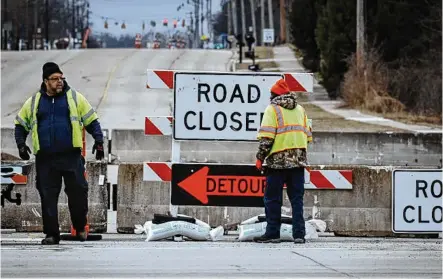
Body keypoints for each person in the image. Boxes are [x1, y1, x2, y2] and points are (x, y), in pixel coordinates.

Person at [14, 62, 105, 245]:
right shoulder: (34, 102)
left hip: (71, 156)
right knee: (48, 197)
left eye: (61, 78)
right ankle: (51, 234)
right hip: (46, 159)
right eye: (55, 79)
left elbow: (92, 120)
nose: (59, 82)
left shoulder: (75, 98)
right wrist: (21, 145)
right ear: (46, 81)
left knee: (78, 192)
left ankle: (80, 228)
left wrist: (99, 141)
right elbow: (20, 125)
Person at [253, 78, 312, 244]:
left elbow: (266, 138)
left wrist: (259, 158)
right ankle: (299, 234)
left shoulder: (272, 110)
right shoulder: (301, 109)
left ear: (273, 95)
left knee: (272, 199)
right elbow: (307, 136)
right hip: (298, 161)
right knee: (297, 199)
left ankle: (272, 233)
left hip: (277, 162)